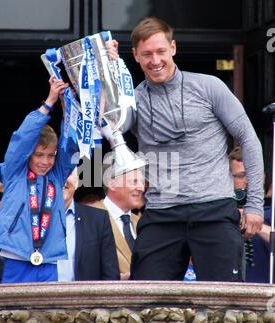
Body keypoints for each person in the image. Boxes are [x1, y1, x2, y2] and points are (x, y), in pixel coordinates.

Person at [107, 17, 264, 281]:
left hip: (213, 209)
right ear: (135, 55)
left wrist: (255, 205)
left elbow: (248, 138)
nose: (155, 60)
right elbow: (107, 123)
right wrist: (106, 68)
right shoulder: (132, 99)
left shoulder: (208, 86)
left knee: (225, 308)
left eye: (160, 52)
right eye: (146, 54)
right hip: (160, 213)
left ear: (173, 48)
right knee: (143, 305)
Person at [0, 75, 79, 283]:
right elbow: (22, 139)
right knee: (10, 315)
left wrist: (69, 110)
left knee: (48, 316)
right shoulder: (15, 171)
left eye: (51, 155)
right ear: (28, 155)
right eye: (39, 155)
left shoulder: (56, 176)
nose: (45, 162)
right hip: (14, 257)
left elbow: (72, 148)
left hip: (48, 259)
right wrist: (49, 103)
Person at [58, 170, 120, 281]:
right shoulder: (29, 217)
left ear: (77, 181)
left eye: (68, 173)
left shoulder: (98, 219)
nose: (63, 179)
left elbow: (110, 276)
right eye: (57, 172)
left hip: (86, 297)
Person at [91, 167, 145, 280]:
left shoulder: (141, 222)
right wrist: (116, 279)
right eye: (134, 181)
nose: (141, 188)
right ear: (112, 184)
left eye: (142, 182)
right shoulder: (90, 216)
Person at [229, 146, 271, 283]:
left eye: (253, 175)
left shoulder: (272, 211)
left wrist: (255, 224)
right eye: (240, 176)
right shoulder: (222, 212)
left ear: (263, 176)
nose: (248, 181)